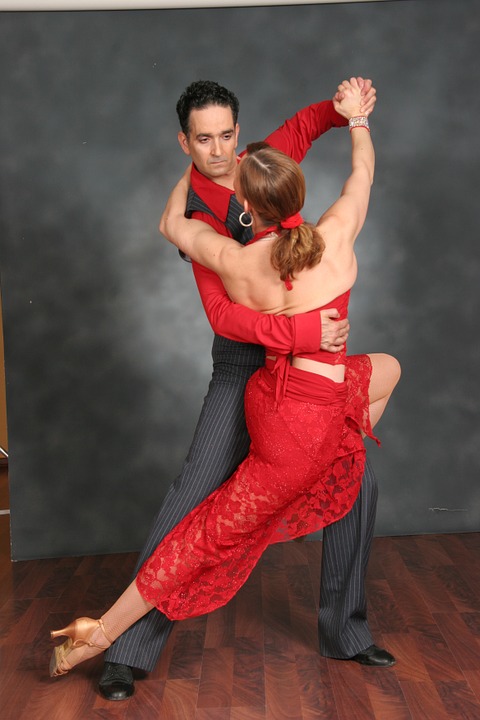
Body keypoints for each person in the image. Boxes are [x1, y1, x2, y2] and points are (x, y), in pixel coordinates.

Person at [49, 78, 400, 682]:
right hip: (249, 363)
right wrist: (304, 335)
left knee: (355, 474)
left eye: (226, 136)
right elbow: (224, 317)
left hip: (306, 374)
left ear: (240, 133)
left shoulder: (259, 162)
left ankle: (346, 631)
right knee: (195, 498)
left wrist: (343, 110)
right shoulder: (196, 211)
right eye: (203, 140)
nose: (218, 151)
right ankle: (125, 653)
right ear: (183, 141)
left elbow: (310, 124)